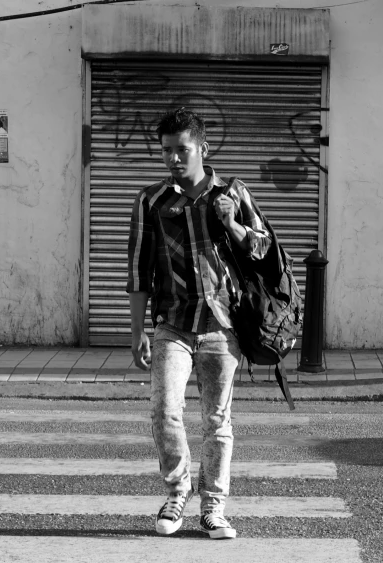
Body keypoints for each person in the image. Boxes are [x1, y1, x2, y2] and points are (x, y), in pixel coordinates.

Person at [126, 107, 271, 539]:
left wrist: (231, 221)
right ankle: (177, 494)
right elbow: (139, 271)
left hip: (223, 326)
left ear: (202, 149)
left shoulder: (232, 191)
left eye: (182, 150)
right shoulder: (150, 200)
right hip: (173, 324)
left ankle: (214, 508)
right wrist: (137, 332)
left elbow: (262, 248)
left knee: (216, 420)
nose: (173, 158)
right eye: (166, 150)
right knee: (165, 411)